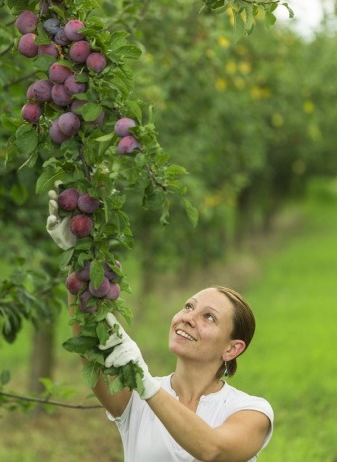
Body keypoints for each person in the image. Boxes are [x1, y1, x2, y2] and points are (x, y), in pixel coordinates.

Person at [46, 186, 274, 461]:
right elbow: (89, 350)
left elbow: (213, 450)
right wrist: (77, 258)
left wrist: (145, 383)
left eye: (208, 317)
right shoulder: (135, 401)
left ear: (232, 349)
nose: (188, 317)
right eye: (189, 306)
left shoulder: (250, 410)